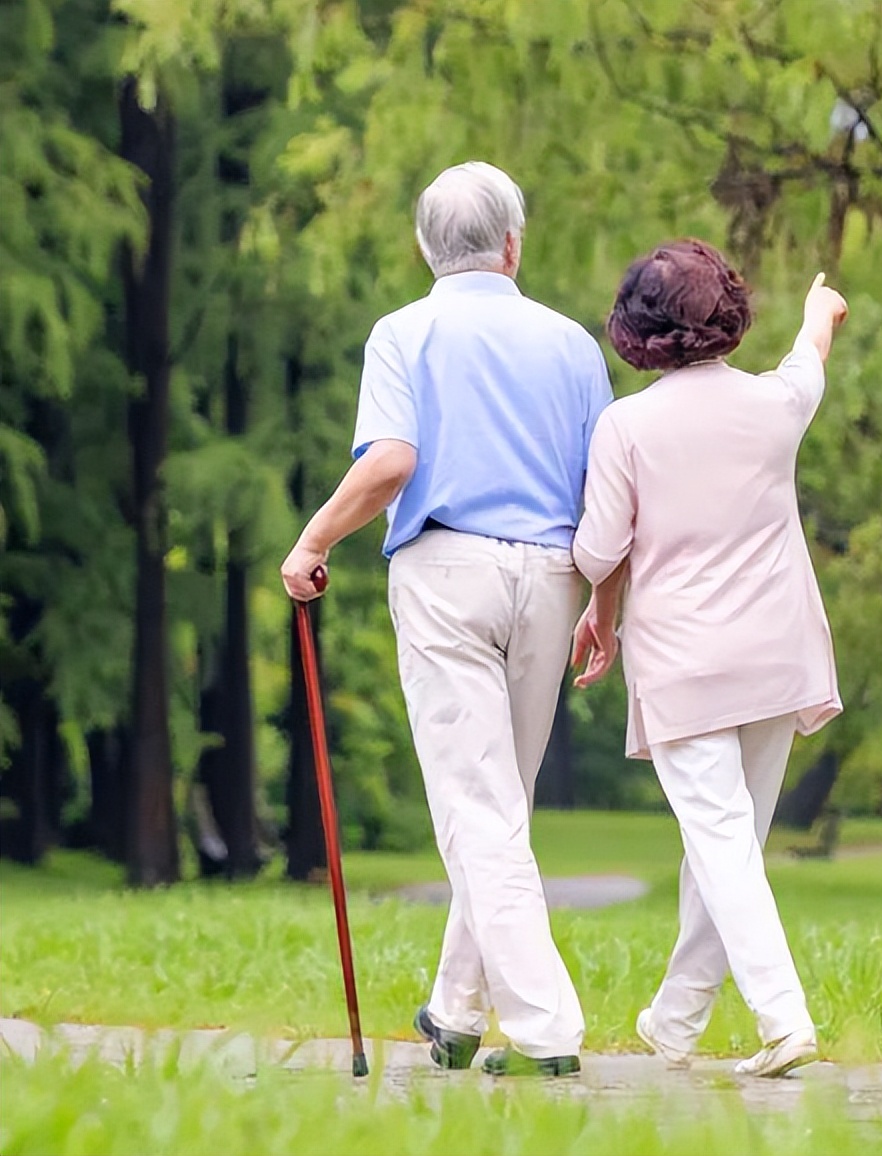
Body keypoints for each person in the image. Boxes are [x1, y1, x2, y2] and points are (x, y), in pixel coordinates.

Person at [281, 161, 612, 1077]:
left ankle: (546, 1030)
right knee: (500, 806)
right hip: (553, 578)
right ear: (514, 244)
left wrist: (312, 541)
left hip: (446, 569)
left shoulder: (404, 332)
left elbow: (391, 461)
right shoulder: (573, 345)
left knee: (478, 809)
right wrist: (606, 605)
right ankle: (458, 1014)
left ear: (426, 249)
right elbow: (606, 492)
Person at [571, 240, 846, 1078]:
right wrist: (817, 311)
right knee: (727, 845)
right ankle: (678, 1019)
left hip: (687, 662)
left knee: (721, 843)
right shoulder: (774, 406)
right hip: (778, 654)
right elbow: (810, 358)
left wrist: (599, 600)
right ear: (726, 314)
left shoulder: (627, 426)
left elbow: (596, 550)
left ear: (638, 328)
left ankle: (783, 1018)